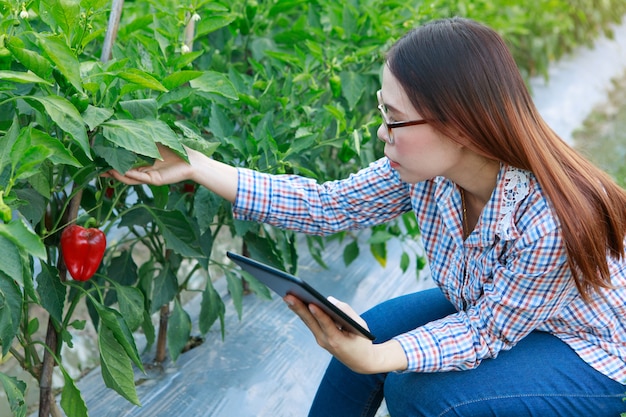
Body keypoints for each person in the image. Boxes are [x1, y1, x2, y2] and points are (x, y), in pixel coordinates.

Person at [108, 17, 626, 417]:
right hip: (498, 313)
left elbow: (484, 334)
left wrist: (380, 358)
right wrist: (196, 166)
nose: (383, 133)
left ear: (462, 128)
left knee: (422, 391)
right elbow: (326, 204)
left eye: (395, 120)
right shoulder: (427, 174)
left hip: (585, 350)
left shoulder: (548, 219)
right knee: (368, 335)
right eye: (384, 112)